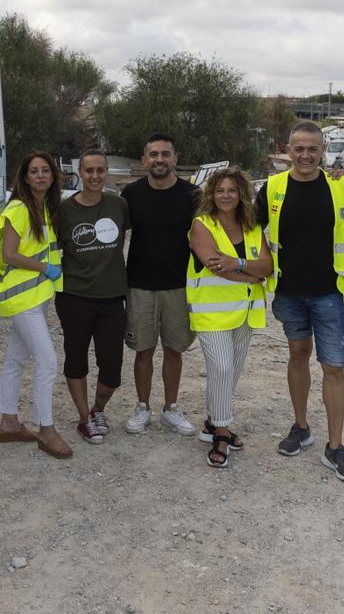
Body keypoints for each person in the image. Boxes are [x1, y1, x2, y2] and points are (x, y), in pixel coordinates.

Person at [256, 121, 344, 483]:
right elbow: (249, 230)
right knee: (297, 356)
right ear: (287, 150)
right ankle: (302, 426)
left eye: (313, 149)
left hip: (327, 293)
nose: (306, 155)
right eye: (299, 148)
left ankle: (335, 446)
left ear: (323, 150)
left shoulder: (338, 185)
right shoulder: (272, 187)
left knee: (333, 367)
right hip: (289, 292)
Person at [187, 168, 272, 468]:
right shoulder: (201, 225)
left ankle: (212, 421)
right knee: (221, 367)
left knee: (231, 371)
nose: (226, 195)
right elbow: (215, 267)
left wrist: (237, 263)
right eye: (220, 190)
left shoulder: (251, 226)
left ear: (241, 195)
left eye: (232, 190)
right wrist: (251, 274)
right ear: (211, 194)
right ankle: (220, 433)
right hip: (211, 313)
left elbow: (268, 267)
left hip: (245, 312)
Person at [0, 151, 72, 458]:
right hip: (22, 297)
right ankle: (46, 428)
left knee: (16, 358)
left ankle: (9, 422)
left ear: (53, 176)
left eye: (45, 171)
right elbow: (10, 254)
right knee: (48, 361)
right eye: (34, 171)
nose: (40, 176)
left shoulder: (44, 208)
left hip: (36, 297)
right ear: (25, 178)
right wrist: (45, 269)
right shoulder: (18, 209)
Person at [121, 133, 199, 437]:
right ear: (144, 161)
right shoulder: (131, 194)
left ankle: (171, 408)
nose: (159, 160)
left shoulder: (193, 195)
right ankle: (142, 407)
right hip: (139, 285)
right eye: (153, 154)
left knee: (173, 350)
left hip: (179, 286)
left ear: (175, 159)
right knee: (143, 350)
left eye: (166, 154)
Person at [55, 149, 130, 444]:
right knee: (76, 359)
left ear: (107, 172)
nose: (95, 176)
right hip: (74, 296)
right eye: (89, 171)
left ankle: (98, 409)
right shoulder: (64, 210)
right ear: (80, 173)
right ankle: (85, 418)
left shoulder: (119, 205)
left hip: (112, 297)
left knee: (111, 366)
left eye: (100, 170)